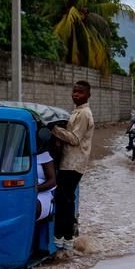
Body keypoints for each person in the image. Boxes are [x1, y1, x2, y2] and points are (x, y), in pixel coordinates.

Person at [50, 81, 95, 251]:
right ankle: (66, 239)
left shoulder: (84, 114)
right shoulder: (77, 112)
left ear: (88, 95)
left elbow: (75, 139)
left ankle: (63, 239)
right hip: (69, 162)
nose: (76, 95)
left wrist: (54, 129)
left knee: (64, 200)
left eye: (80, 92)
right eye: (74, 92)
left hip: (74, 163)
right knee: (66, 200)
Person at [36, 144, 57, 221]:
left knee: (30, 206)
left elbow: (52, 181)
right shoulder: (11, 154)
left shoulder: (43, 155)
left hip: (42, 193)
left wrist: (34, 189)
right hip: (18, 192)